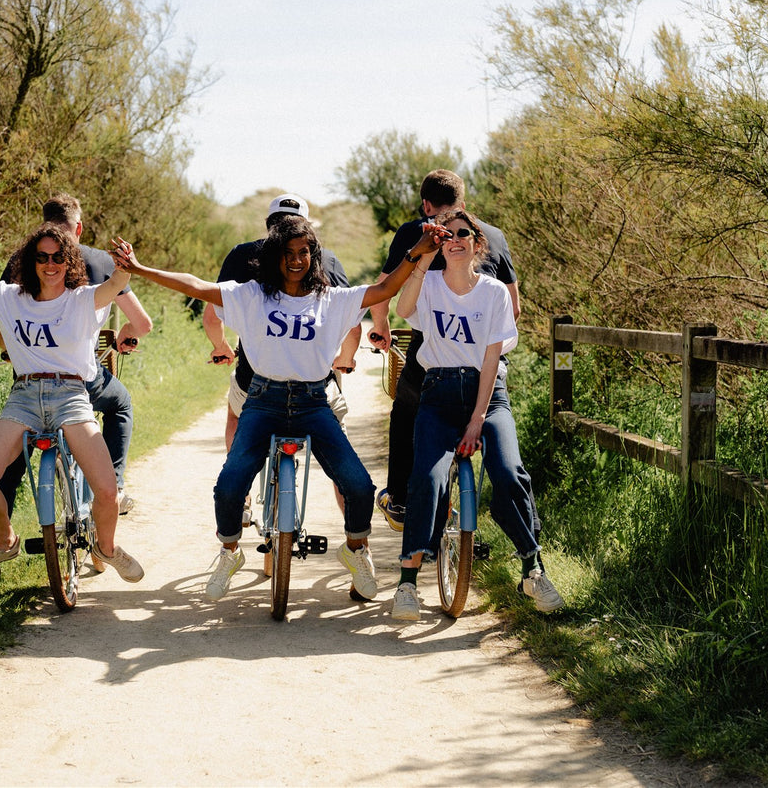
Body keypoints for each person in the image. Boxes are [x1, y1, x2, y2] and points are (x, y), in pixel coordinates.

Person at [111, 214, 450, 602]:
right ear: (275, 256)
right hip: (263, 400)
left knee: (359, 485)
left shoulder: (332, 300)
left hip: (313, 402)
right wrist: (138, 269)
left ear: (314, 256)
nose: (297, 259)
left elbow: (386, 287)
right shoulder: (252, 295)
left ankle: (356, 551)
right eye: (288, 252)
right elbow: (196, 285)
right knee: (229, 485)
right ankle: (229, 553)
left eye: (305, 252)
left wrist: (418, 252)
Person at [0, 221, 144, 584]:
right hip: (24, 397)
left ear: (70, 260)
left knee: (108, 491)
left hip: (71, 397)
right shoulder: (13, 298)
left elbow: (115, 285)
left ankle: (106, 549)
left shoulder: (81, 299)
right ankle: (5, 542)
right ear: (32, 261)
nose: (51, 264)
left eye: (59, 256)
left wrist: (127, 265)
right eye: (42, 257)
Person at [387, 209, 562, 620]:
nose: (456, 238)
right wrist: (423, 257)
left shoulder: (494, 292)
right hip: (438, 394)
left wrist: (478, 419)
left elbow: (491, 357)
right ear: (441, 243)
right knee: (426, 479)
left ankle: (531, 569)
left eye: (464, 233)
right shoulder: (427, 283)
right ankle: (408, 582)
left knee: (508, 471)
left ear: (477, 244)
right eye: (447, 234)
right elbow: (402, 309)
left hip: (488, 396)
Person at [0, 193, 152, 592]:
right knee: (119, 403)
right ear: (79, 228)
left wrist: (13, 350)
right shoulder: (101, 260)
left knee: (6, 470)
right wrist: (124, 338)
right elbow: (141, 322)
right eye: (46, 257)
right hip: (82, 379)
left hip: (30, 376)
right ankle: (115, 488)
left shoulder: (24, 261)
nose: (51, 262)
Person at [367, 170, 520, 531]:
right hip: (486, 358)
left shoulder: (418, 232)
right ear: (463, 204)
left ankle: (401, 498)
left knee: (406, 409)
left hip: (435, 359)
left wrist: (382, 328)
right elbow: (513, 307)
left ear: (426, 205)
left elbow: (385, 288)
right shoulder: (493, 236)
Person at [203, 194, 360, 451]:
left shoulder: (242, 255)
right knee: (337, 438)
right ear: (305, 227)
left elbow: (212, 316)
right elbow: (353, 325)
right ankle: (344, 490)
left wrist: (221, 347)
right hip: (316, 385)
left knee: (236, 415)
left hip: (255, 380)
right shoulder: (326, 259)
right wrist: (346, 358)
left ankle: (240, 490)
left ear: (268, 224)